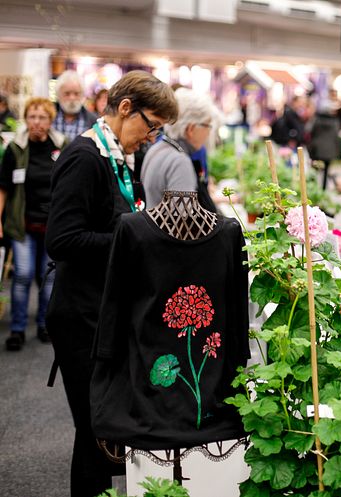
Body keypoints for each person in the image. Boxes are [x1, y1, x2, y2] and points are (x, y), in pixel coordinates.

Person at [45, 70, 177, 497]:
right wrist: (132, 239)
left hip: (102, 313)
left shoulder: (117, 157)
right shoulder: (85, 158)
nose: (152, 137)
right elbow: (61, 240)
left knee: (104, 430)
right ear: (125, 109)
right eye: (151, 125)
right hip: (81, 318)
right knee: (94, 430)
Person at [0, 98, 67, 351]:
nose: (36, 122)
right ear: (26, 119)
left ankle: (44, 325)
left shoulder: (62, 146)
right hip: (23, 225)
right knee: (23, 275)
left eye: (42, 117)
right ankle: (17, 329)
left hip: (53, 226)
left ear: (50, 120)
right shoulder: (16, 148)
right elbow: (3, 188)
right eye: (32, 117)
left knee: (47, 277)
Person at [141, 87, 218, 211]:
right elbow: (183, 220)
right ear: (191, 129)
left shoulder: (158, 148)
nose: (209, 132)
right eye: (207, 125)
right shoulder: (179, 162)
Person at [52, 70, 97, 141]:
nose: (72, 98)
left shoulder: (93, 121)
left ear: (82, 95)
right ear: (58, 95)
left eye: (76, 94)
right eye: (67, 93)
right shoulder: (49, 117)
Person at [309, 103, 341, 190]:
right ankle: (323, 188)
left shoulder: (317, 119)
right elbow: (336, 135)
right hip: (329, 149)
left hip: (317, 148)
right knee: (326, 170)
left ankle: (313, 187)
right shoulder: (335, 121)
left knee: (315, 169)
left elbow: (309, 130)